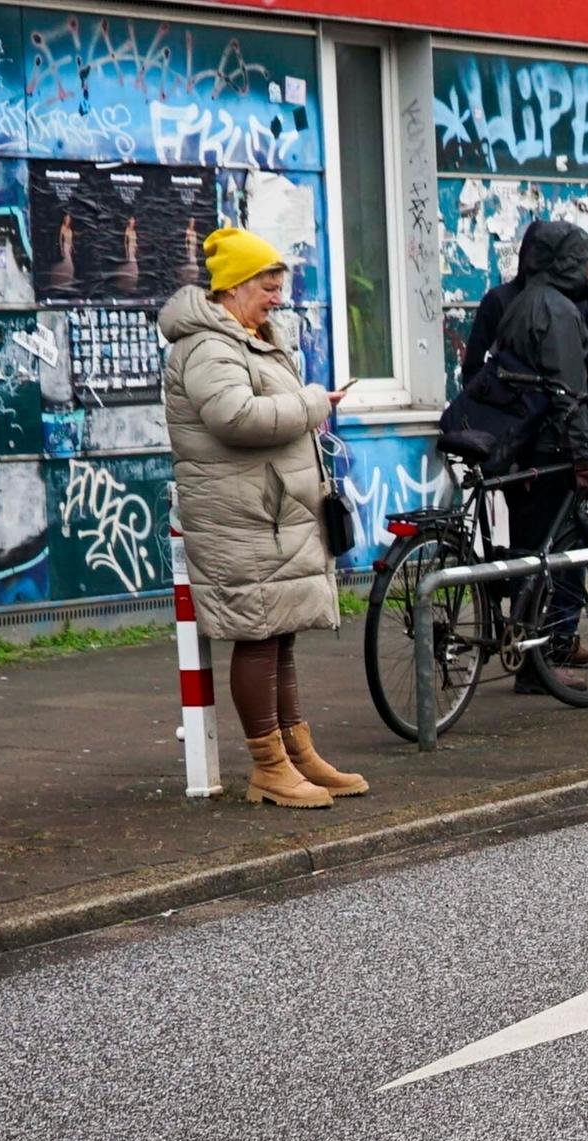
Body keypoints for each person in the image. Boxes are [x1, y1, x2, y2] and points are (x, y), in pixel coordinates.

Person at [159, 227, 367, 810]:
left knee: (279, 636)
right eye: (267, 286)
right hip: (242, 517)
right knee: (257, 636)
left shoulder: (246, 338)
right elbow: (234, 416)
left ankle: (298, 753)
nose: (277, 296)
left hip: (268, 514)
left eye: (279, 286)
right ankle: (269, 767)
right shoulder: (206, 346)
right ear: (231, 287)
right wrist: (313, 403)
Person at [496, 221, 588, 685]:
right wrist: (583, 459)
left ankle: (530, 661)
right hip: (551, 448)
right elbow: (568, 393)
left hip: (523, 447)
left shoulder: (520, 303)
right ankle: (540, 665)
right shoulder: (558, 310)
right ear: (568, 263)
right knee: (554, 555)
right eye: (584, 260)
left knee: (529, 556)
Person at [459, 219, 588, 429]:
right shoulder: (500, 300)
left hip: (567, 427)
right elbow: (475, 369)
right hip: (513, 430)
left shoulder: (578, 301)